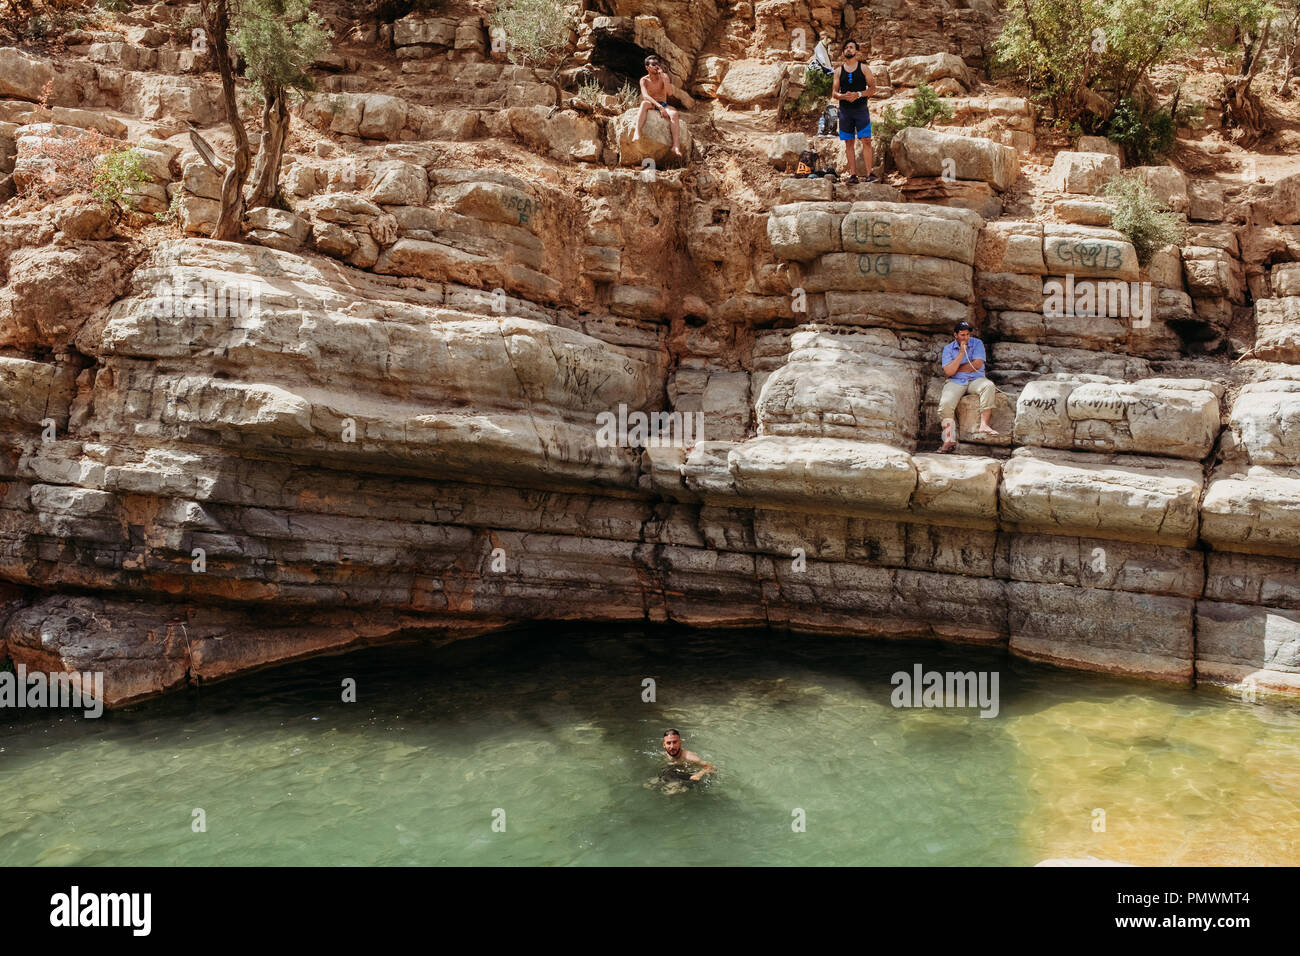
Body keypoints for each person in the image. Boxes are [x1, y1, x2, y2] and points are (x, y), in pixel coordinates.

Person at [938, 321, 999, 453]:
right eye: (962, 335)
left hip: (975, 379)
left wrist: (955, 368)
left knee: (988, 386)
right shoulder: (948, 349)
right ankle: (949, 439)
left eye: (967, 334)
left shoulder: (977, 343)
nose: (966, 337)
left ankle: (984, 425)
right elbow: (948, 373)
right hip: (956, 381)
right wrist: (961, 354)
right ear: (955, 335)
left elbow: (977, 364)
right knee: (946, 403)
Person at [831, 40, 877, 184]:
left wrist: (858, 94)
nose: (848, 50)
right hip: (845, 111)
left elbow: (872, 89)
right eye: (846, 48)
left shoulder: (864, 68)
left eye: (851, 47)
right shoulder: (839, 71)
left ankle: (870, 174)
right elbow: (834, 93)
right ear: (843, 52)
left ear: (856, 51)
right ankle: (853, 175)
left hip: (861, 110)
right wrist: (843, 96)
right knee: (849, 142)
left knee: (866, 140)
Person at [634, 55, 682, 157]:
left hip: (663, 103)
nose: (656, 66)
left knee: (674, 113)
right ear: (647, 67)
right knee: (644, 104)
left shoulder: (663, 77)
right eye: (654, 64)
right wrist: (659, 107)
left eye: (658, 64)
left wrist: (665, 79)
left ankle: (676, 146)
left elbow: (669, 93)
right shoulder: (644, 80)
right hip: (651, 103)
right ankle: (637, 132)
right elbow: (645, 96)